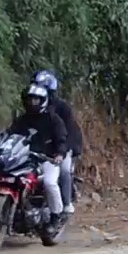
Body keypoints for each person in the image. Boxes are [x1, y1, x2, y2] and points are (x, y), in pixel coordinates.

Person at [6, 84, 70, 230]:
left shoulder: (53, 119)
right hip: (25, 159)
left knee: (49, 183)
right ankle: (15, 212)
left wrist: (59, 154)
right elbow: (11, 135)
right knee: (11, 179)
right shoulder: (22, 120)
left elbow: (62, 139)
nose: (32, 103)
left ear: (43, 101)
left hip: (47, 160)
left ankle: (56, 216)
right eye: (29, 100)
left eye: (36, 100)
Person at [30, 69, 83, 213]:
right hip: (44, 146)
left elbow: (69, 131)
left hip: (64, 144)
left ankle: (66, 203)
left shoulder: (62, 108)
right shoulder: (33, 107)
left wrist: (62, 151)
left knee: (64, 170)